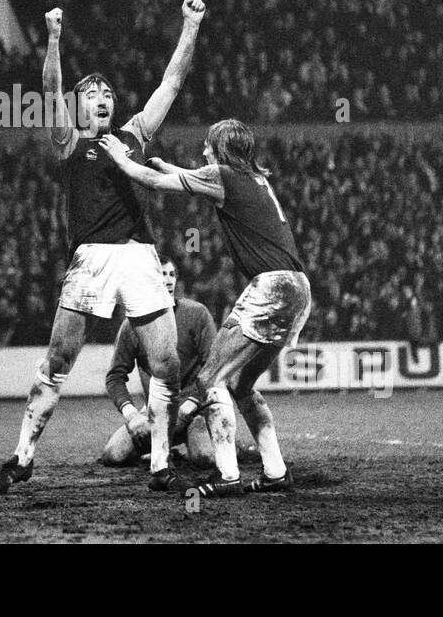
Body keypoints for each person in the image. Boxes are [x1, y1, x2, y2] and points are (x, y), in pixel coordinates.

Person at [0, 0, 205, 495]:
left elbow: (171, 81)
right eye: (92, 93)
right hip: (90, 258)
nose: (102, 97)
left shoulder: (133, 135)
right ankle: (23, 456)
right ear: (79, 105)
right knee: (59, 358)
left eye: (107, 92)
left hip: (138, 254)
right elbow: (48, 87)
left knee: (166, 363)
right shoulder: (70, 141)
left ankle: (161, 464)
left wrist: (190, 25)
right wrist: (55, 38)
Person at [100, 117, 310, 497]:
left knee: (210, 379)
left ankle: (228, 475)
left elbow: (154, 183)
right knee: (241, 386)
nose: (202, 151)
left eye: (207, 146)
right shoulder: (253, 180)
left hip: (271, 286)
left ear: (221, 149)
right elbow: (191, 179)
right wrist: (173, 168)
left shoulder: (222, 175)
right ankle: (275, 471)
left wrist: (121, 159)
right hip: (299, 289)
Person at [100, 259, 264, 469]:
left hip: (195, 410)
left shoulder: (197, 314)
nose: (167, 280)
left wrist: (191, 405)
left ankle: (232, 446)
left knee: (204, 458)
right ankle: (168, 449)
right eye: (161, 274)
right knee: (113, 455)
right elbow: (115, 376)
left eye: (171, 274)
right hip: (157, 412)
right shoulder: (131, 325)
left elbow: (212, 367)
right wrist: (132, 415)